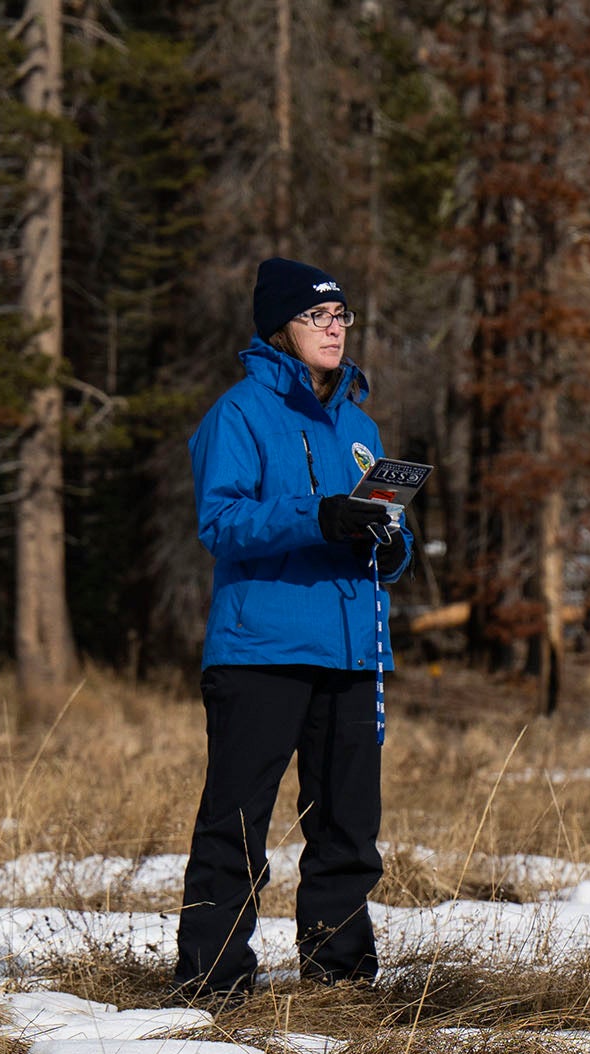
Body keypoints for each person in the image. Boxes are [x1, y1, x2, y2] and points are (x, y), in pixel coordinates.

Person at [174, 258, 413, 1004]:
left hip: (351, 649)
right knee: (237, 821)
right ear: (281, 327)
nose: (335, 329)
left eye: (343, 316)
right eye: (318, 317)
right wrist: (317, 515)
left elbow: (377, 536)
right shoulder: (240, 414)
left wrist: (390, 538)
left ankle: (340, 978)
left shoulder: (360, 426)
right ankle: (212, 981)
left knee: (347, 827)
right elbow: (221, 521)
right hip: (261, 649)